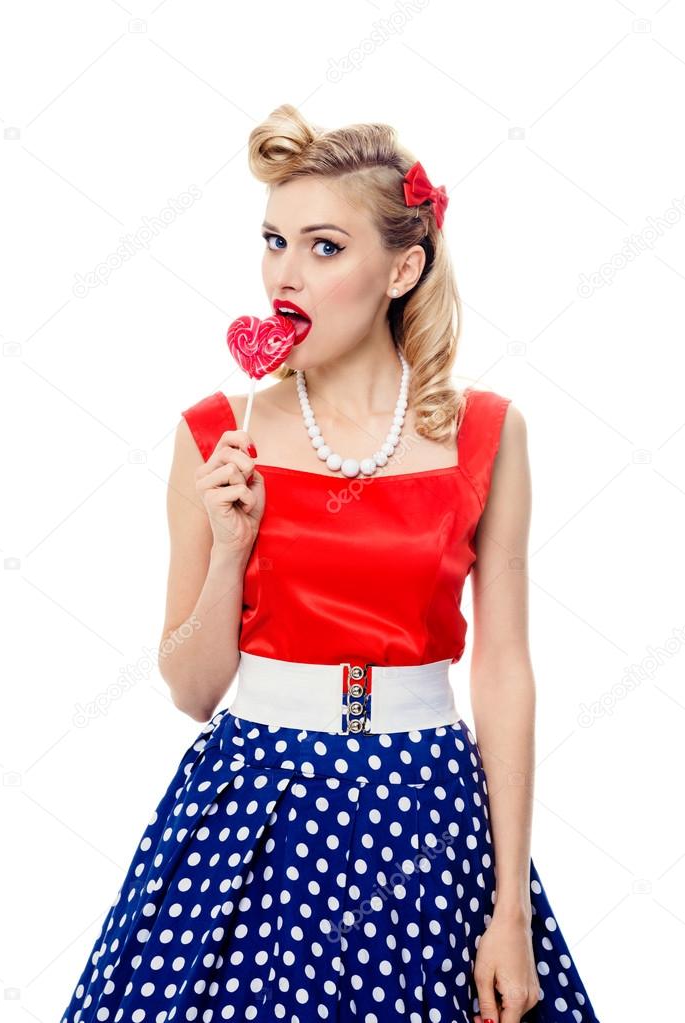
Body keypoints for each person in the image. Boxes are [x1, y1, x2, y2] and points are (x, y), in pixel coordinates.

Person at [59, 104, 601, 1023]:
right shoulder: (214, 436)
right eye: (273, 242)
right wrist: (229, 547)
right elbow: (192, 690)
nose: (284, 276)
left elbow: (503, 669)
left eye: (321, 247)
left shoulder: (486, 433)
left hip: (424, 811)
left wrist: (508, 907)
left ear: (402, 267)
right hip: (251, 806)